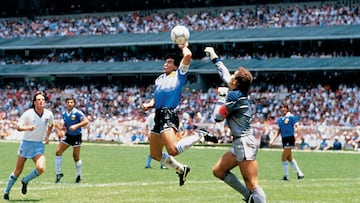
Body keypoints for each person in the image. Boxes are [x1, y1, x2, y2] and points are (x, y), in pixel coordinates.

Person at [141, 42, 213, 186]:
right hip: (157, 116)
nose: (165, 64)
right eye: (165, 62)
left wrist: (183, 45)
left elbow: (188, 55)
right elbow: (157, 96)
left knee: (172, 150)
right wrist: (149, 104)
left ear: (175, 66)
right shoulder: (159, 79)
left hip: (169, 115)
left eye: (169, 62)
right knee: (155, 154)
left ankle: (200, 135)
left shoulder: (179, 74)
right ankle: (181, 169)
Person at [204, 47, 266, 203]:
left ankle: (253, 197)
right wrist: (214, 57)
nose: (230, 76)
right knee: (218, 170)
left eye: (234, 75)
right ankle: (249, 198)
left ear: (236, 82)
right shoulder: (238, 92)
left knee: (252, 183)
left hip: (244, 142)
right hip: (241, 142)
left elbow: (217, 117)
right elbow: (225, 74)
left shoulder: (234, 96)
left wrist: (221, 97)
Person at [3, 91, 54, 200]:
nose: (41, 101)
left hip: (38, 145)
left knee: (41, 168)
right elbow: (18, 127)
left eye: (43, 99)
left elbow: (51, 125)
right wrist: (28, 128)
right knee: (18, 170)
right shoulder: (28, 113)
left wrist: (47, 136)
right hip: (26, 144)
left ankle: (25, 180)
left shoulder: (48, 114)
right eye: (38, 99)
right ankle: (6, 192)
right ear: (34, 102)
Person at [55, 97, 89, 183]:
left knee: (75, 156)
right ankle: (58, 173)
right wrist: (62, 130)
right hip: (68, 136)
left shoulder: (77, 113)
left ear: (74, 104)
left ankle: (79, 175)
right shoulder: (64, 114)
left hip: (77, 136)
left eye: (71, 102)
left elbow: (86, 121)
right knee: (58, 152)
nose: (70, 104)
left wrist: (76, 126)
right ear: (66, 104)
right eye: (68, 102)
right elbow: (65, 126)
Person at [269, 103, 304, 181]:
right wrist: (273, 140)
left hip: (290, 138)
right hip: (284, 139)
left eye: (284, 107)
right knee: (289, 158)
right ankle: (300, 174)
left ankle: (286, 176)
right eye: (281, 107)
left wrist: (298, 138)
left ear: (287, 109)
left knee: (283, 157)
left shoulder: (291, 117)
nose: (283, 109)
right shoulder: (280, 119)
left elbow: (298, 127)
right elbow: (278, 131)